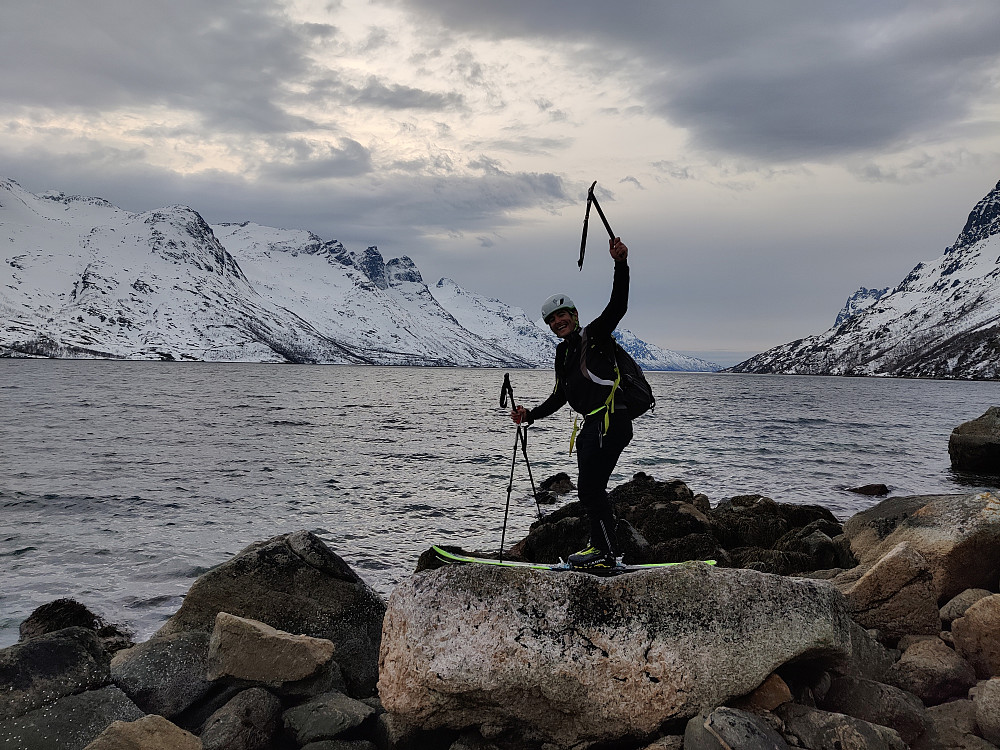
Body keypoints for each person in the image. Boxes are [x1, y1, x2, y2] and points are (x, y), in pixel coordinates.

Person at [510, 236, 632, 569]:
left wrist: (620, 263)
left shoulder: (596, 335)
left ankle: (605, 553)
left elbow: (618, 305)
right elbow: (561, 395)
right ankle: (603, 548)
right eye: (551, 320)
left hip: (612, 420)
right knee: (591, 489)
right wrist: (530, 415)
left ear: (574, 315)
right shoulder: (562, 354)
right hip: (592, 425)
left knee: (590, 488)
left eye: (561, 315)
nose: (556, 322)